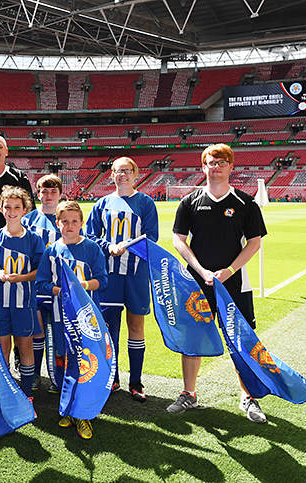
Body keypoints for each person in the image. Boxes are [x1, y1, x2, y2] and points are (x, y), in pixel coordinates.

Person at [168, 143, 268, 424]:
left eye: (222, 162)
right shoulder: (190, 201)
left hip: (235, 285)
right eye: (212, 162)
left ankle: (248, 397)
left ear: (231, 166)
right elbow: (178, 239)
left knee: (242, 342)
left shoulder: (246, 203)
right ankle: (189, 393)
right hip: (196, 284)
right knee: (193, 339)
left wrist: (230, 270)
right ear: (204, 166)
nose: (217, 166)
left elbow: (255, 242)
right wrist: (200, 270)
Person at [86, 157, 158, 402]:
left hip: (136, 274)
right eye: (118, 171)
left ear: (136, 173)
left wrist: (127, 246)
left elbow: (152, 238)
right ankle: (112, 377)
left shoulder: (146, 203)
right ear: (112, 174)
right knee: (109, 328)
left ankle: (136, 382)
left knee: (136, 326)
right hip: (109, 275)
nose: (123, 175)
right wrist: (109, 247)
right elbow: (91, 236)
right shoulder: (102, 203)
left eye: (127, 170)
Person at [36, 200, 107, 439]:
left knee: (86, 363)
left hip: (87, 319)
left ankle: (84, 414)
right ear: (57, 223)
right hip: (60, 317)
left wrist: (80, 286)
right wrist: (60, 291)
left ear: (82, 223)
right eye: (64, 221)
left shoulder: (92, 248)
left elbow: (102, 280)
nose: (69, 225)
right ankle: (67, 409)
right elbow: (42, 284)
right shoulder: (51, 250)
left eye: (74, 221)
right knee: (64, 360)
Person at [0, 186, 45, 402]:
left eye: (16, 207)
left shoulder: (34, 239)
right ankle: (6, 391)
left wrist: (19, 278)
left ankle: (27, 394)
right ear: (1, 208)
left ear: (25, 209)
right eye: (7, 207)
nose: (11, 211)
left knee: (25, 346)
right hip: (0, 303)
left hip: (24, 303)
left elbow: (39, 272)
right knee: (2, 348)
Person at [21, 174, 63, 392]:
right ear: (37, 194)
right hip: (35, 287)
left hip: (59, 287)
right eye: (44, 191)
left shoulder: (65, 218)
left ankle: (58, 377)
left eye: (53, 191)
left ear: (60, 194)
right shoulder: (28, 220)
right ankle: (36, 373)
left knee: (58, 334)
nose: (48, 196)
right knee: (36, 333)